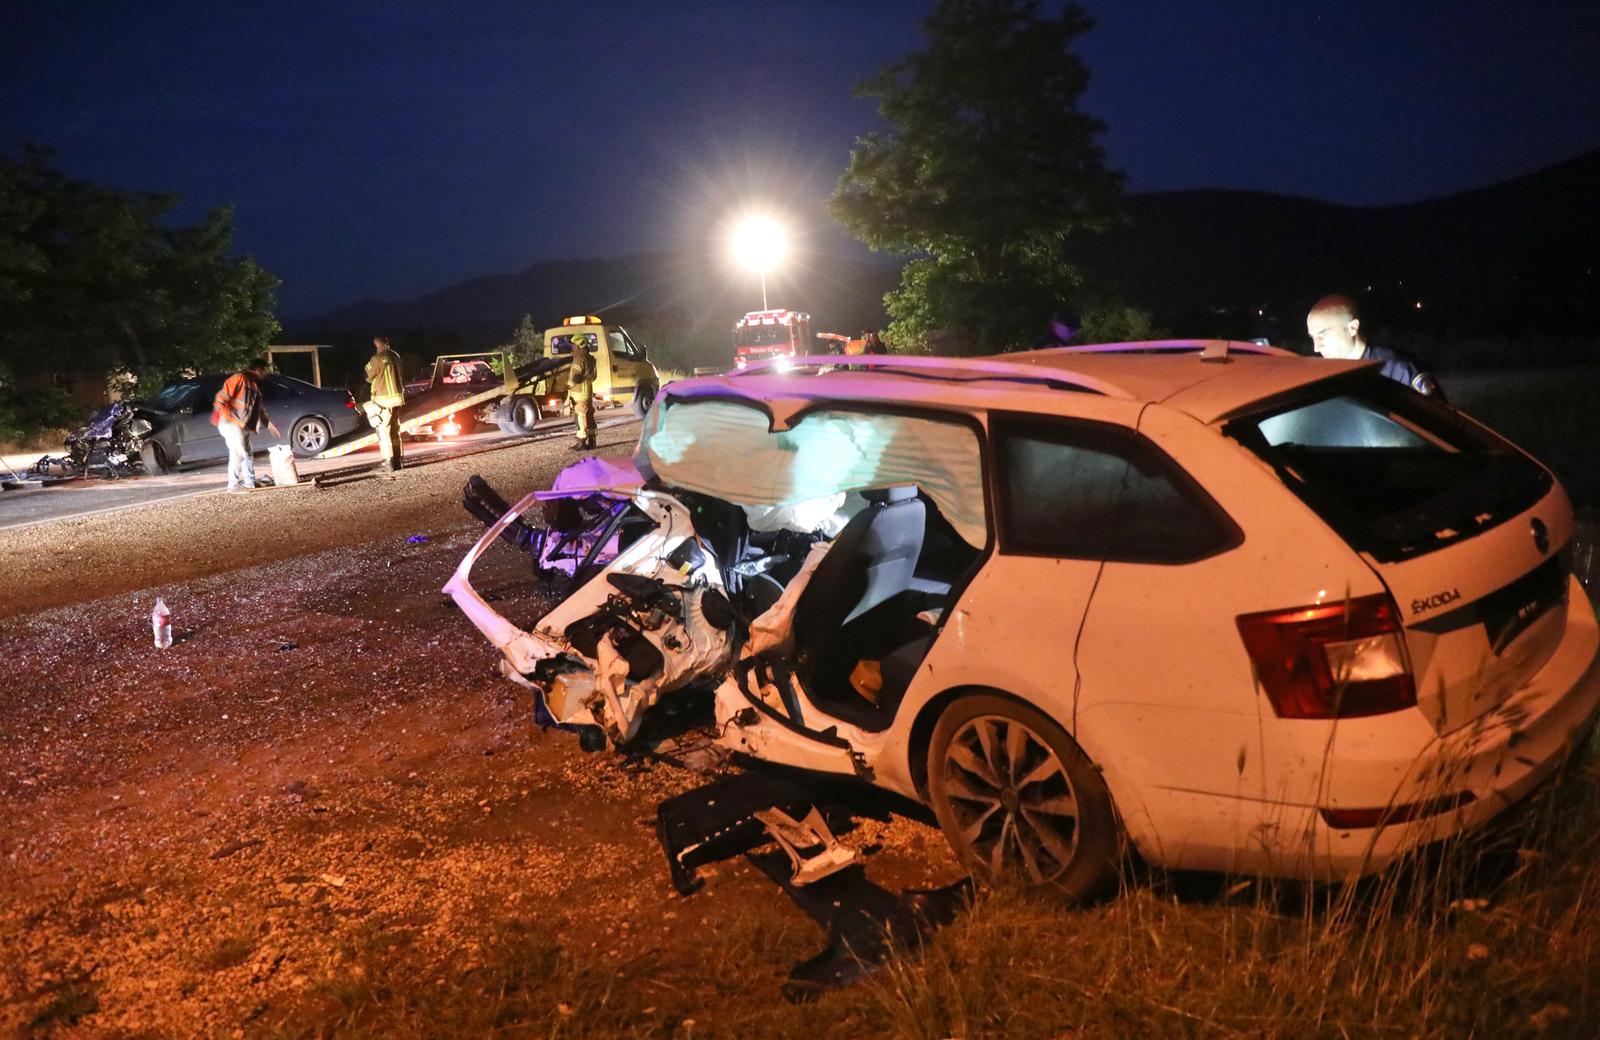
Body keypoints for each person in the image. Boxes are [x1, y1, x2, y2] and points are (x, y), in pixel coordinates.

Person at [1305, 295, 1444, 399]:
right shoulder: (1325, 376)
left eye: (1324, 334)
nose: (1316, 348)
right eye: (1313, 337)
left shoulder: (1398, 369)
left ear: (1353, 328)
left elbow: (1440, 422)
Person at [210, 358, 279, 491]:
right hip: (230, 422)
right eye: (264, 371)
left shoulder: (254, 386)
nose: (265, 375)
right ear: (259, 370)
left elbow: (259, 409)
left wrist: (269, 424)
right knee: (239, 454)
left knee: (247, 453)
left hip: (242, 425)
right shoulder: (239, 378)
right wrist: (216, 412)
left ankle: (250, 482)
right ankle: (233, 484)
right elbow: (222, 396)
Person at [364, 335, 406, 471]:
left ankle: (387, 463)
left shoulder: (376, 359)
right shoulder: (396, 356)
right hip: (398, 399)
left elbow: (367, 376)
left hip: (383, 400)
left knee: (383, 432)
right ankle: (398, 461)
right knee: (395, 431)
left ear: (376, 345)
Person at [567, 335, 597, 450]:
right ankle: (592, 441)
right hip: (588, 391)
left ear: (579, 346)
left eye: (573, 345)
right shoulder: (591, 358)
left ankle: (581, 442)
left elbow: (575, 378)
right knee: (589, 416)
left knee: (580, 416)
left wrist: (569, 386)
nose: (572, 347)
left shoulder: (579, 359)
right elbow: (594, 377)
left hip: (579, 393)